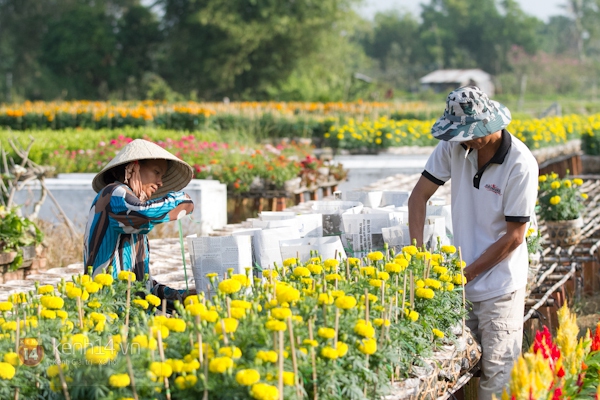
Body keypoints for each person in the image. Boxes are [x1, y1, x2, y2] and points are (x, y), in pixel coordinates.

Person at [407, 86, 538, 399]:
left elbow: (514, 237)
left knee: (498, 376)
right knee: (453, 371)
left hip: (500, 286)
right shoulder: (454, 147)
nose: (461, 140)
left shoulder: (520, 164)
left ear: (489, 127)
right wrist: (417, 256)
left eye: (467, 133)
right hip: (461, 287)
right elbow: (418, 198)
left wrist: (466, 274)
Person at [84, 138, 195, 304]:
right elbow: (145, 213)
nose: (160, 182)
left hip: (128, 309)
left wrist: (180, 296)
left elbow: (143, 287)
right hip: (108, 308)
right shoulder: (113, 193)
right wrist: (182, 198)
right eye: (157, 172)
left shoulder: (133, 223)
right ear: (134, 166)